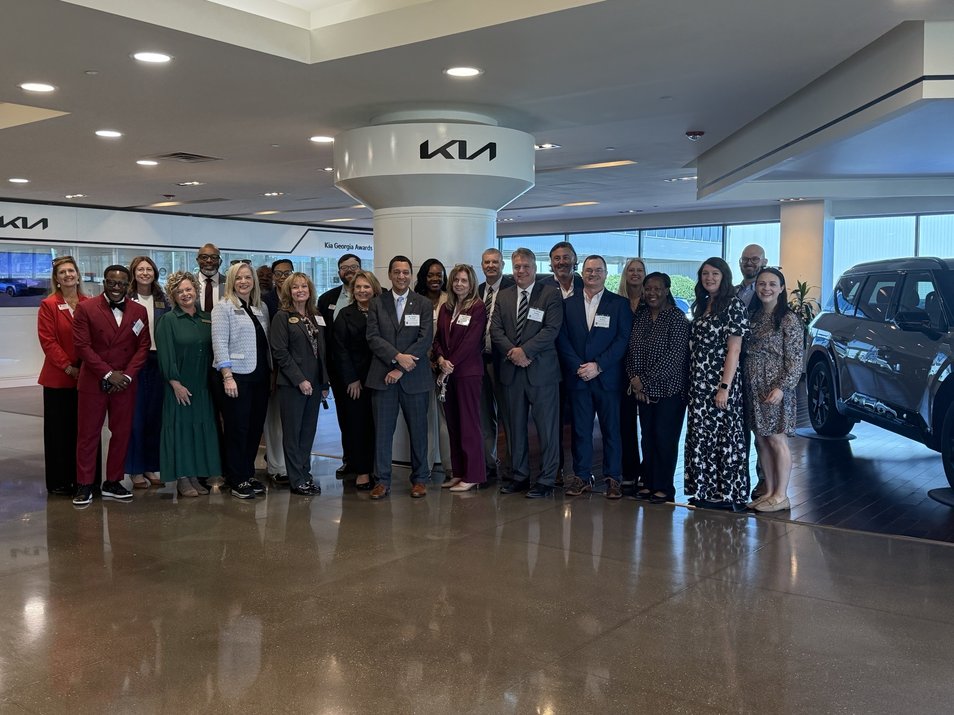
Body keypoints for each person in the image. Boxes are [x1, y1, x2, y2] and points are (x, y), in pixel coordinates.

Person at [72, 265, 151, 506]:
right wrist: (108, 374)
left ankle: (113, 481)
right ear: (103, 282)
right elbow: (82, 346)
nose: (116, 288)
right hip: (94, 381)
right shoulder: (86, 308)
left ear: (129, 285)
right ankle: (85, 484)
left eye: (121, 284)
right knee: (88, 435)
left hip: (125, 384)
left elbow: (143, 346)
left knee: (122, 433)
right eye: (111, 283)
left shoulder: (138, 310)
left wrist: (126, 376)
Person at [557, 255, 633, 499]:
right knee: (581, 430)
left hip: (607, 378)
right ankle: (581, 476)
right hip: (579, 377)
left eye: (598, 270)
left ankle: (613, 478)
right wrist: (579, 366)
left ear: (606, 273)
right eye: (589, 270)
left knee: (612, 430)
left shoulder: (619, 304)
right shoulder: (568, 304)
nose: (593, 274)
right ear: (582, 272)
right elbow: (562, 339)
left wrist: (598, 366)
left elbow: (623, 340)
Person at [491, 247, 563, 498]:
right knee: (514, 428)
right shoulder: (504, 296)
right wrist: (513, 352)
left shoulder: (550, 294)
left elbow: (551, 329)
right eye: (517, 267)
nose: (521, 271)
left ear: (535, 268)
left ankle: (546, 479)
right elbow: (495, 330)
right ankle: (519, 476)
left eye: (526, 267)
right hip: (512, 372)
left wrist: (526, 352)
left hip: (541, 372)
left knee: (547, 428)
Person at [684, 257, 750, 511]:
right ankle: (704, 489)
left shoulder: (733, 305)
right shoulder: (702, 305)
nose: (709, 278)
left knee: (723, 438)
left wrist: (724, 387)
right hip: (698, 383)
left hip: (721, 383)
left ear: (724, 277)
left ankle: (727, 493)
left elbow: (734, 350)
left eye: (715, 274)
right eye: (705, 274)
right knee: (701, 436)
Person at [365, 256, 434, 499]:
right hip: (382, 378)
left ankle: (420, 479)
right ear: (390, 275)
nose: (402, 276)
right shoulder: (377, 303)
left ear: (411, 275)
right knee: (382, 433)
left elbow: (425, 339)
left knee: (418, 431)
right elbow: (372, 337)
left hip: (415, 379)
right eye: (397, 272)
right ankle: (382, 480)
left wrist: (402, 367)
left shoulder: (423, 304)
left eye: (406, 272)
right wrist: (396, 357)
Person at [625, 272, 691, 504]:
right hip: (641, 391)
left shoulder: (677, 318)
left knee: (665, 438)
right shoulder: (640, 317)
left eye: (657, 289)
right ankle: (648, 481)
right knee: (647, 437)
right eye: (648, 289)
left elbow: (675, 357)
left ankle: (664, 486)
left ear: (666, 290)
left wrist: (645, 380)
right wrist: (635, 380)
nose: (652, 293)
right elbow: (630, 350)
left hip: (669, 391)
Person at [155, 271, 219, 497]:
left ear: (196, 290)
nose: (185, 294)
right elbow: (165, 355)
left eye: (188, 289)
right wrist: (175, 383)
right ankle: (182, 478)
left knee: (199, 430)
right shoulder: (168, 321)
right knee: (181, 431)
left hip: (203, 386)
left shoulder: (207, 318)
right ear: (172, 295)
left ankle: (194, 475)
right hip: (180, 386)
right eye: (179, 291)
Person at [744, 268, 803, 512]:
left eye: (772, 284)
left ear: (781, 288)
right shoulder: (754, 316)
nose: (766, 288)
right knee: (762, 440)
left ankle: (781, 495)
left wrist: (782, 387)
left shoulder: (788, 319)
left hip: (776, 390)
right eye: (761, 284)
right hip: (753, 388)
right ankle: (768, 491)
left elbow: (796, 360)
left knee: (777, 440)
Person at [211, 261, 271, 500]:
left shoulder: (260, 308)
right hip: (236, 377)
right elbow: (219, 343)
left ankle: (247, 474)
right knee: (238, 428)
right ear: (231, 282)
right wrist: (227, 375)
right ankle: (235, 478)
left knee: (255, 428)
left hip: (260, 376)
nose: (244, 282)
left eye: (248, 277)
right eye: (239, 278)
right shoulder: (223, 307)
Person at [270, 272, 329, 496]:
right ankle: (296, 480)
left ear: (310, 290)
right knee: (293, 435)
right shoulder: (282, 317)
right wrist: (300, 380)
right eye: (295, 287)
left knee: (308, 433)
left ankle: (306, 475)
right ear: (288, 291)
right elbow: (280, 353)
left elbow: (322, 352)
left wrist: (324, 383)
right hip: (293, 386)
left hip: (315, 384)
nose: (300, 290)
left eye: (304, 286)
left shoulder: (315, 316)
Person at [37, 256, 92, 496]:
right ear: (57, 279)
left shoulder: (89, 303)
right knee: (60, 433)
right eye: (63, 272)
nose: (68, 275)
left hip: (87, 377)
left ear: (78, 275)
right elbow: (48, 341)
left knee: (86, 432)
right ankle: (61, 481)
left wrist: (89, 367)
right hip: (59, 379)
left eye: (71, 271)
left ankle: (86, 479)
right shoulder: (48, 305)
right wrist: (69, 367)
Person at [434, 264, 488, 492]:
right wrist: (439, 360)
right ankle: (459, 472)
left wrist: (450, 364)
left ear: (471, 283)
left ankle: (474, 474)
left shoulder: (477, 307)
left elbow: (471, 342)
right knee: (454, 425)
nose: (459, 284)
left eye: (464, 280)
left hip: (467, 373)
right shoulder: (446, 308)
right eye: (456, 280)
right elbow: (437, 339)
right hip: (448, 373)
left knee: (469, 424)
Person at [538, 240, 583, 485]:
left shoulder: (587, 285)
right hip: (549, 364)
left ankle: (579, 471)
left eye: (566, 257)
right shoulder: (541, 288)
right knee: (551, 422)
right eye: (557, 258)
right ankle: (554, 469)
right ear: (551, 262)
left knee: (579, 420)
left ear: (575, 259)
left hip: (578, 364)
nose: (562, 262)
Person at [125, 256, 170, 488]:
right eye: (140, 269)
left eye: (148, 269)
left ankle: (152, 467)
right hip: (135, 362)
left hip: (158, 360)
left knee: (155, 417)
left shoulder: (163, 299)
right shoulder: (126, 298)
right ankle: (135, 469)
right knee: (136, 418)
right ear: (133, 273)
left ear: (155, 272)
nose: (145, 273)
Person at [333, 270, 380, 490]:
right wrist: (351, 379)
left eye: (366, 287)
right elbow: (340, 350)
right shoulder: (345, 314)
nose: (362, 291)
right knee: (359, 425)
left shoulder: (383, 311)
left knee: (380, 426)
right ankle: (362, 470)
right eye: (358, 287)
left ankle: (378, 469)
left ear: (374, 289)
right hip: (357, 382)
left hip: (381, 378)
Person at [317, 253, 362, 480]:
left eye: (354, 266)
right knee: (345, 416)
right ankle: (349, 460)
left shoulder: (376, 294)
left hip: (367, 369)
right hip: (338, 369)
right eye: (345, 267)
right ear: (338, 272)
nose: (349, 270)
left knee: (368, 418)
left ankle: (369, 463)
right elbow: (321, 336)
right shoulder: (326, 299)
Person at [414, 258, 453, 484]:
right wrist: (425, 358)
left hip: (446, 367)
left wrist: (441, 360)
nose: (435, 279)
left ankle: (450, 467)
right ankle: (425, 467)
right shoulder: (416, 301)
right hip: (421, 366)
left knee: (446, 419)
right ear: (423, 277)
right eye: (430, 275)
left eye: (439, 275)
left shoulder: (451, 300)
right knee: (424, 419)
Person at [478, 248, 515, 484]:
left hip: (505, 361)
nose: (491, 265)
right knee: (484, 417)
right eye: (487, 262)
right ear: (482, 265)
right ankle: (489, 465)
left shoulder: (512, 288)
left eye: (495, 262)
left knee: (509, 417)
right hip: (480, 361)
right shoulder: (479, 290)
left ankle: (513, 467)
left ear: (502, 265)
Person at [261, 258, 294, 485]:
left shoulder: (300, 298)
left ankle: (293, 464)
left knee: (292, 422)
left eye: (287, 273)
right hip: (274, 368)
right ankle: (275, 467)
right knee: (273, 422)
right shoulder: (265, 302)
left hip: (298, 371)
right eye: (278, 274)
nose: (282, 278)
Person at [617, 257, 647, 492]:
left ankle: (648, 472)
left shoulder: (652, 301)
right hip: (620, 371)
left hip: (647, 374)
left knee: (648, 426)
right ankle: (629, 470)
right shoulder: (617, 302)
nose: (635, 274)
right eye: (631, 270)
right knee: (625, 424)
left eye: (639, 270)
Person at [735, 244, 767, 309]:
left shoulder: (768, 292)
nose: (749, 263)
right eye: (745, 259)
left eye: (755, 259)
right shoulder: (731, 291)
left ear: (764, 262)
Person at [195, 243, 225, 313]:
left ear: (220, 261)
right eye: (204, 257)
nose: (209, 261)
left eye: (214, 257)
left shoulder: (230, 283)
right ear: (197, 260)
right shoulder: (190, 282)